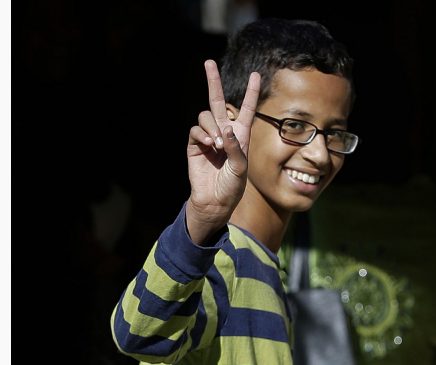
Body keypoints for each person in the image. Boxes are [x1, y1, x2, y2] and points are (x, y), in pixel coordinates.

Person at [110, 17, 359, 364]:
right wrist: (201, 220)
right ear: (232, 123)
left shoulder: (263, 269)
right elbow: (138, 334)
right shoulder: (223, 265)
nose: (319, 154)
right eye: (295, 126)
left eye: (334, 132)